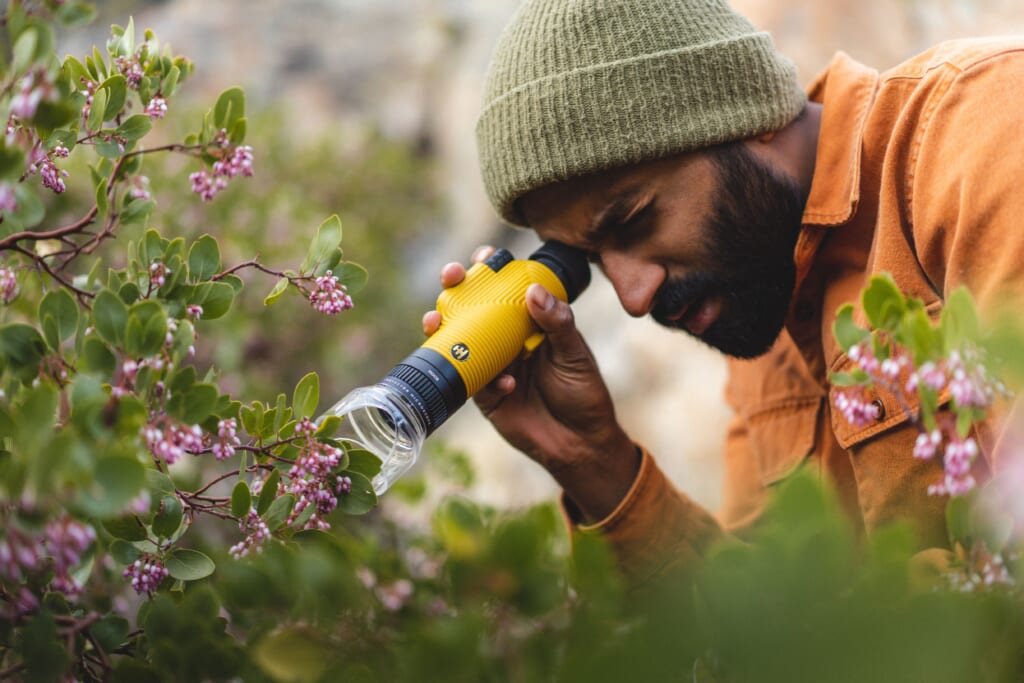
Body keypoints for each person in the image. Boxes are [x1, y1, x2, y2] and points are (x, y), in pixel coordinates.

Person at [423, 0, 1024, 585]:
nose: (633, 296)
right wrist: (593, 460)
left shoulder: (983, 129)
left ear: (746, 115)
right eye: (590, 262)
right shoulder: (763, 298)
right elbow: (763, 636)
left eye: (634, 220)